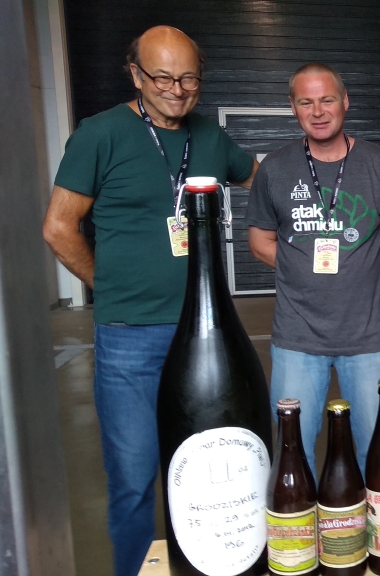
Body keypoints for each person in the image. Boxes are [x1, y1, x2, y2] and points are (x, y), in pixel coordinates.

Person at [41, 26, 258, 576]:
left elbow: (266, 181)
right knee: (134, 477)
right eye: (162, 77)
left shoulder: (210, 136)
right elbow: (59, 228)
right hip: (130, 340)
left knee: (216, 471)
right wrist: (111, 285)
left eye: (189, 78)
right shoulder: (100, 135)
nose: (176, 90)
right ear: (135, 74)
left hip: (207, 335)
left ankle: (217, 562)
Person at [246, 63, 380, 476]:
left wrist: (361, 271)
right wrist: (300, 270)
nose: (318, 111)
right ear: (293, 107)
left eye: (327, 100)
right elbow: (260, 241)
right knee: (292, 453)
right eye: (306, 102)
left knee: (378, 452)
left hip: (367, 337)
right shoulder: (275, 169)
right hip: (297, 337)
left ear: (345, 101)